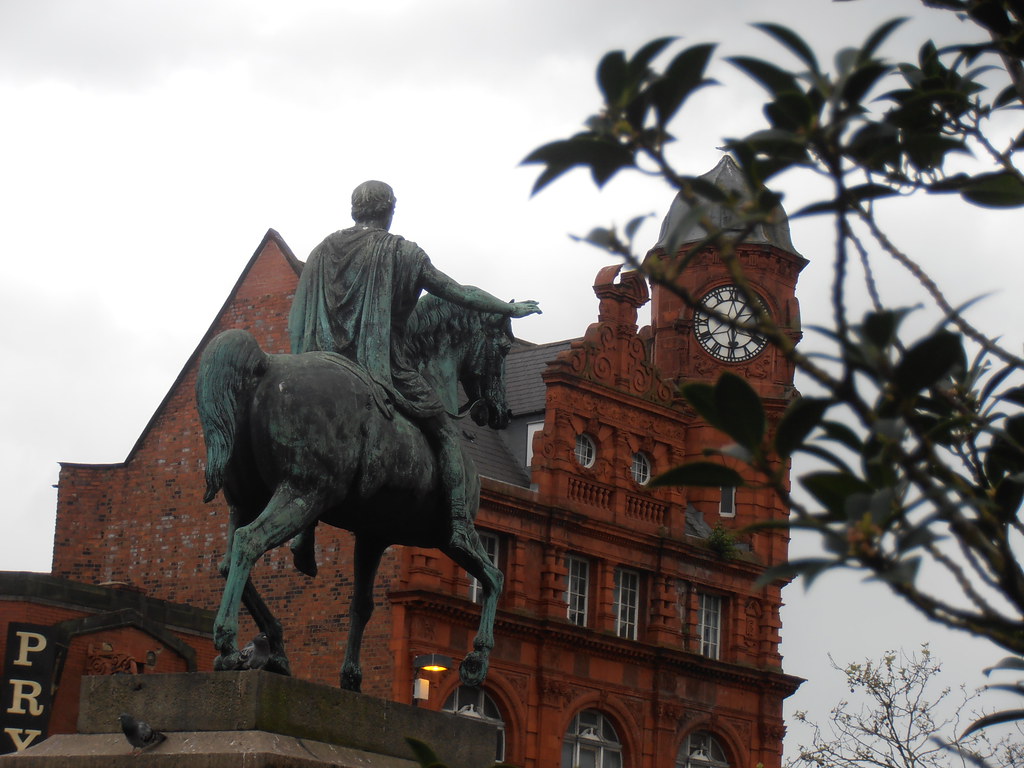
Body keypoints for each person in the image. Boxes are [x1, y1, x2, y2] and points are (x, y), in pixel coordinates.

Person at [287, 180, 540, 572]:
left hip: (318, 360)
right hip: (381, 365)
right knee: (442, 428)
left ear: (355, 209)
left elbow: (297, 316)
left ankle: (303, 529)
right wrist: (507, 309)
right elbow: (458, 292)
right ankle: (457, 520)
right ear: (389, 210)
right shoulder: (402, 251)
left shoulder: (322, 251)